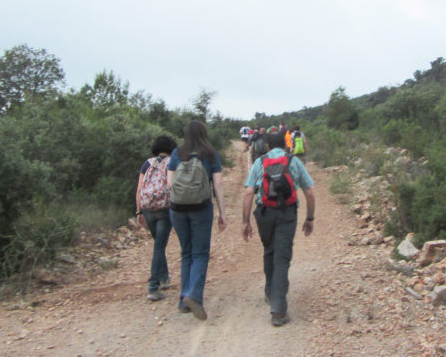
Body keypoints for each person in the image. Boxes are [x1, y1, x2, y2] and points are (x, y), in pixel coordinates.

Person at [241, 133, 316, 327]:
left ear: (267, 145)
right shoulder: (294, 162)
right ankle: (278, 310)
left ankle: (269, 291)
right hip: (287, 214)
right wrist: (309, 218)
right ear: (285, 145)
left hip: (264, 213)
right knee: (282, 258)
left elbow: (249, 192)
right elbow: (309, 192)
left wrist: (245, 221)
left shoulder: (260, 161)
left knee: (269, 251)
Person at [167, 120, 227, 320]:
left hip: (177, 208)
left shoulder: (177, 153)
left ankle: (183, 300)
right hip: (201, 208)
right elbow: (217, 186)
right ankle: (194, 295)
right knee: (200, 254)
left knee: (186, 253)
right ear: (204, 134)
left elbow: (169, 185)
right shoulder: (211, 154)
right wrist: (222, 213)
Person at [135, 135, 177, 301]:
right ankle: (153, 287)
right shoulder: (172, 162)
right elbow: (172, 186)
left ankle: (164, 278)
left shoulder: (147, 163)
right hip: (164, 208)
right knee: (159, 246)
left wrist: (139, 212)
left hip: (147, 208)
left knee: (158, 244)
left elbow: (139, 189)